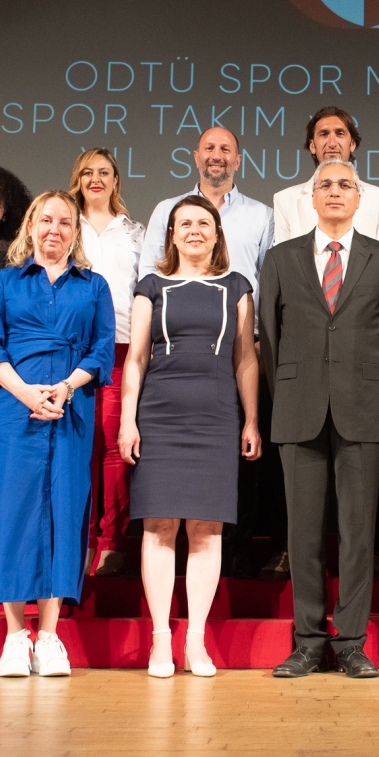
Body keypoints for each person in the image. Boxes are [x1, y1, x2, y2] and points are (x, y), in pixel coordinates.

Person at [260, 159, 379, 678]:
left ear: (360, 198)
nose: (336, 191)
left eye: (346, 184)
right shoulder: (281, 258)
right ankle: (307, 642)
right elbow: (269, 338)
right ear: (313, 197)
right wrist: (288, 394)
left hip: (363, 410)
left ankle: (351, 644)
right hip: (298, 409)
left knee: (358, 535)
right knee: (302, 534)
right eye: (326, 185)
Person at [119, 195, 261, 678]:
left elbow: (245, 358)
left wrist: (251, 420)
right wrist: (128, 420)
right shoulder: (151, 286)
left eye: (204, 223)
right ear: (172, 234)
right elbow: (136, 358)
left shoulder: (237, 286)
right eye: (185, 224)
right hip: (160, 415)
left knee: (207, 530)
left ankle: (195, 642)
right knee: (159, 528)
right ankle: (161, 640)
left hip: (216, 417)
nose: (194, 230)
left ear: (217, 233)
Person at [0, 191, 115, 678]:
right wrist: (25, 393)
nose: (54, 229)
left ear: (76, 232)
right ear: (30, 226)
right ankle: (16, 637)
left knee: (64, 513)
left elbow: (101, 349)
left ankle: (51, 636)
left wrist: (66, 387)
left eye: (65, 222)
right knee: (11, 514)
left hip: (70, 409)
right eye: (46, 220)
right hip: (13, 412)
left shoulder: (94, 286)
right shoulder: (5, 282)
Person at [139, 127, 283, 581]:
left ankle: (236, 553)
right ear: (195, 156)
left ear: (238, 160)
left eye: (226, 149)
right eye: (209, 148)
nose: (216, 156)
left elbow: (268, 279)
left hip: (241, 345)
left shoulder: (261, 214)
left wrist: (259, 340)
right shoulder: (167, 209)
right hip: (173, 348)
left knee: (241, 459)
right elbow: (149, 275)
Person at [69, 148, 145, 577]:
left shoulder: (134, 232)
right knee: (80, 446)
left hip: (120, 349)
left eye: (104, 172)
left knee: (116, 446)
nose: (95, 179)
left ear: (116, 180)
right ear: (77, 179)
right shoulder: (64, 224)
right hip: (70, 351)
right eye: (87, 172)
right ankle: (80, 541)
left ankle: (111, 542)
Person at [272, 106, 379, 246]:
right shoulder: (285, 200)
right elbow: (282, 256)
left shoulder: (377, 197)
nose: (332, 143)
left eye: (340, 134)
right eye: (324, 134)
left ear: (352, 144)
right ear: (312, 146)